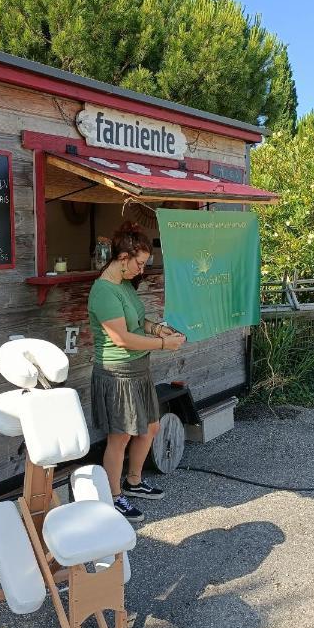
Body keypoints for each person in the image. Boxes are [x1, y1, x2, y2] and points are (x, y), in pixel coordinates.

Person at [88, 221, 186, 523]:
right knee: (121, 436)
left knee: (150, 428)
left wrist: (158, 328)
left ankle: (133, 482)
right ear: (122, 258)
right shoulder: (104, 292)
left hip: (139, 369)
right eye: (139, 264)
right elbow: (121, 338)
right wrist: (162, 343)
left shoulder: (124, 286)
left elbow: (138, 322)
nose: (141, 270)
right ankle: (114, 496)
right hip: (117, 373)